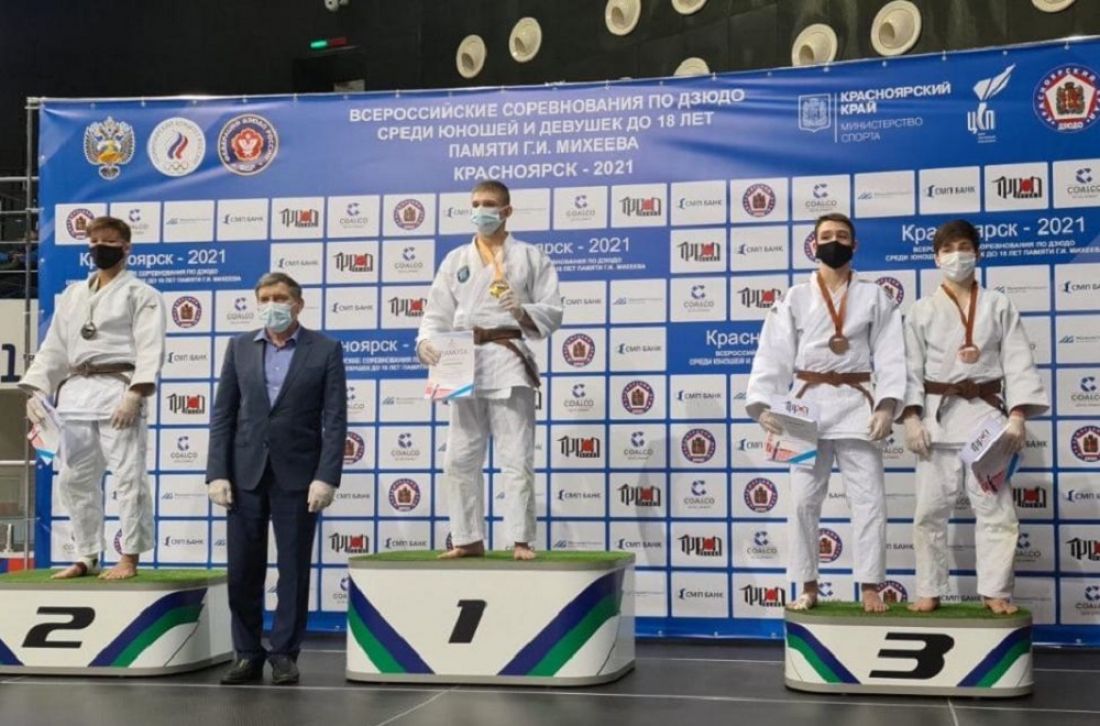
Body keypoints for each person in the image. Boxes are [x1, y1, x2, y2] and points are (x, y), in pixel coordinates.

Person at [746, 212, 905, 612]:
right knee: (802, 501)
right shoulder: (795, 297)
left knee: (869, 500)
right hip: (803, 405)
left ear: (855, 245)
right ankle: (808, 585)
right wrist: (762, 404)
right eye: (827, 235)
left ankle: (870, 585)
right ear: (814, 244)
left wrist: (887, 404)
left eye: (842, 236)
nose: (834, 241)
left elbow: (891, 353)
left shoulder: (874, 296)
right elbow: (773, 353)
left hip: (856, 402)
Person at [206, 272, 347, 685]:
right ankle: (247, 654)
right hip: (244, 475)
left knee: (294, 570)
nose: (272, 305)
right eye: (265, 298)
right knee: (242, 571)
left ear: (298, 304)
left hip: (299, 477)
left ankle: (284, 653)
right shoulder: (238, 347)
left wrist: (326, 477)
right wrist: (217, 472)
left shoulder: (325, 349)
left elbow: (335, 419)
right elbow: (223, 414)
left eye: (280, 298)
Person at [902, 219, 1048, 615]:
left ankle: (995, 591)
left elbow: (1018, 361)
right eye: (947, 250)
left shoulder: (998, 304)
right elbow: (909, 369)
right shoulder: (921, 311)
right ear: (936, 258)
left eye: (964, 247)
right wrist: (911, 417)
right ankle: (929, 589)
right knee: (929, 513)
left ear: (978, 254)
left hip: (987, 424)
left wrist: (1017, 415)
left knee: (997, 512)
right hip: (937, 423)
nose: (956, 256)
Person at [416, 180, 563, 561]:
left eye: (490, 204)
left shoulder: (529, 256)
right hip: (461, 359)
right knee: (459, 457)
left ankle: (520, 539)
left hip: (507, 358)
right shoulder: (456, 260)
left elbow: (553, 310)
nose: (481, 211)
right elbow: (436, 312)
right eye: (477, 204)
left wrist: (523, 311)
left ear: (506, 211)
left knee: (516, 456)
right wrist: (425, 342)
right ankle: (467, 538)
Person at [21, 216, 165, 580]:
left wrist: (136, 392)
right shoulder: (74, 294)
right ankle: (87, 554)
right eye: (94, 241)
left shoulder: (141, 294)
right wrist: (37, 390)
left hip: (118, 392)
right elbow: (54, 348)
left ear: (126, 248)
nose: (100, 247)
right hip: (75, 395)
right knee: (73, 479)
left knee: (128, 477)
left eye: (109, 241)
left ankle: (129, 557)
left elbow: (150, 347)